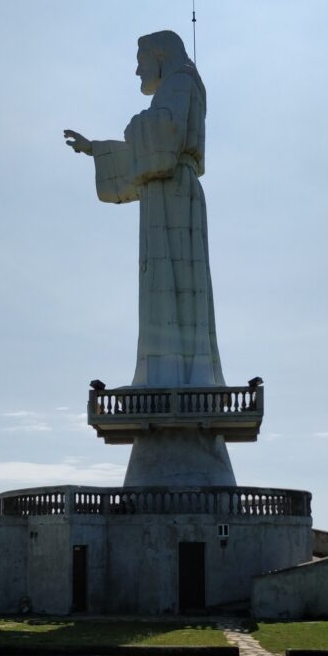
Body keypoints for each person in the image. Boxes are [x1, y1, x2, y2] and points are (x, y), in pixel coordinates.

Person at [65, 30, 225, 389]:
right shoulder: (178, 85)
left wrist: (135, 125)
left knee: (172, 281)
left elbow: (164, 137)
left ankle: (176, 378)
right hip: (166, 190)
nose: (138, 72)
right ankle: (164, 374)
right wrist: (96, 149)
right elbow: (158, 144)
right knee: (161, 281)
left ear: (160, 56)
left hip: (172, 191)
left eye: (141, 63)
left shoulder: (181, 81)